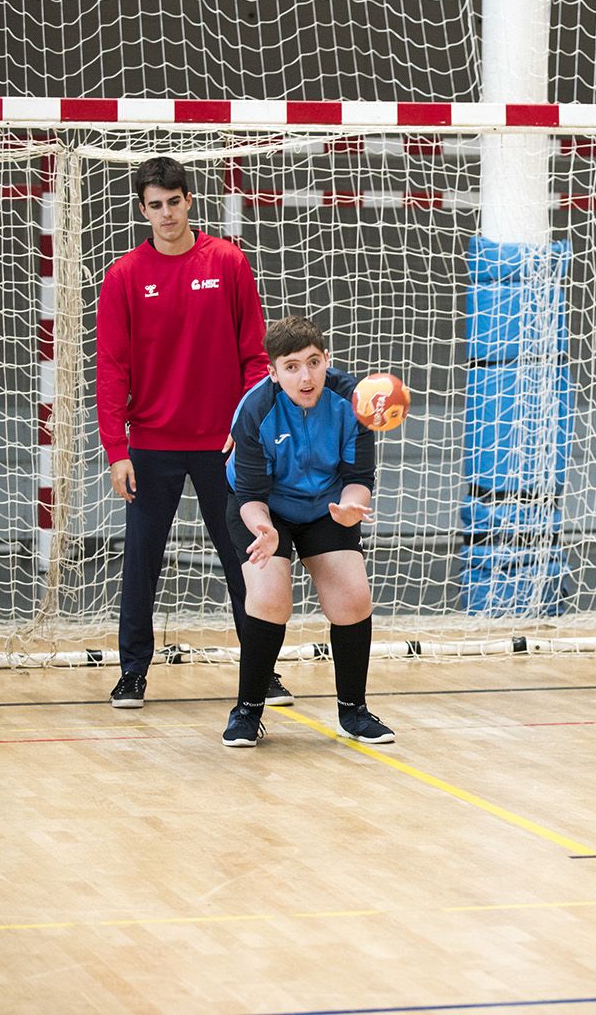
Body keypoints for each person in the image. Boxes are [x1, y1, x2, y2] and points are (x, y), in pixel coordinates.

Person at [95, 155, 292, 708]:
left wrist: (246, 427)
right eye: (154, 205)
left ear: (188, 201)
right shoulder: (124, 276)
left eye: (173, 202)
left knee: (245, 561)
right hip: (151, 445)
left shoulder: (228, 262)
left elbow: (256, 357)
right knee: (142, 563)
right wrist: (116, 449)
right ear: (142, 209)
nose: (166, 214)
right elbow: (111, 369)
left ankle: (262, 674)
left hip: (223, 445)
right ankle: (132, 672)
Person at [219, 316, 393, 748]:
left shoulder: (354, 401)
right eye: (292, 366)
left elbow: (358, 476)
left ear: (326, 360)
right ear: (273, 373)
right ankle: (247, 712)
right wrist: (265, 530)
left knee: (353, 598)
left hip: (327, 508)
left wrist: (354, 508)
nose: (306, 375)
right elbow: (250, 495)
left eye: (313, 362)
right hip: (263, 510)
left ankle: (353, 712)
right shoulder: (255, 409)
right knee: (271, 597)